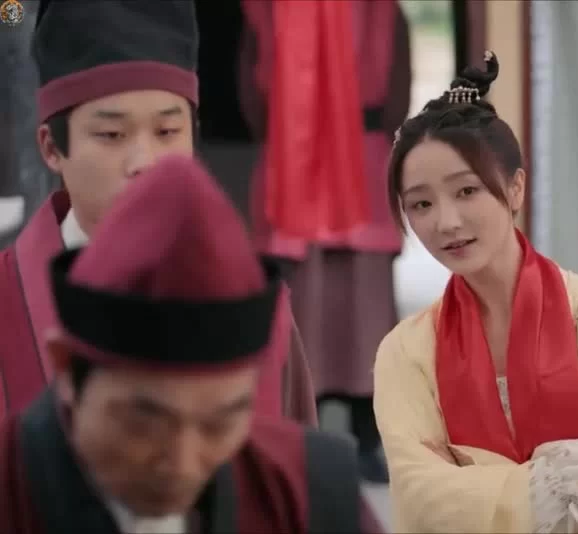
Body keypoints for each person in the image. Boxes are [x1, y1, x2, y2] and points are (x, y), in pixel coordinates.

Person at [372, 52, 578, 533]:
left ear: (515, 188)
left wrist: (475, 479)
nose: (446, 221)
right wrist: (562, 484)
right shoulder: (405, 352)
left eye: (467, 191)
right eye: (422, 204)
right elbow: (420, 498)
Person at [0, 154, 381, 533]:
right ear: (66, 367)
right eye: (145, 421)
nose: (182, 465)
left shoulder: (314, 494)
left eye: (220, 423)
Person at [0, 0, 316, 424]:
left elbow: (292, 458)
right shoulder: (6, 303)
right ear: (52, 147)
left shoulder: (258, 309)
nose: (144, 162)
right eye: (112, 134)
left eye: (167, 131)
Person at [238, 0, 412, 482]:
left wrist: (291, 131)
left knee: (302, 306)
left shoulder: (269, 9)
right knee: (365, 308)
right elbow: (398, 96)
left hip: (292, 162)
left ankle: (296, 436)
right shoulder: (382, 10)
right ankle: (366, 439)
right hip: (362, 159)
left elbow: (251, 97)